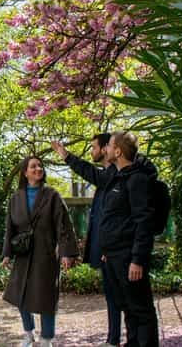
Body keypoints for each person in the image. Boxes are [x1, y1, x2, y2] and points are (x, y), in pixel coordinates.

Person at [51, 134, 121, 347]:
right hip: (107, 248)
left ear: (106, 150)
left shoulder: (113, 175)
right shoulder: (109, 176)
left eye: (94, 147)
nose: (92, 151)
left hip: (114, 249)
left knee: (118, 295)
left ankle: (117, 339)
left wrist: (66, 156)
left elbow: (90, 173)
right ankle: (114, 338)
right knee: (112, 294)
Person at [2, 155, 80, 347]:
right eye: (33, 166)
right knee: (19, 295)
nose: (38, 169)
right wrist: (7, 253)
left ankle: (47, 338)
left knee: (46, 297)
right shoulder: (16, 198)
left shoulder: (52, 195)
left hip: (45, 254)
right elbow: (10, 227)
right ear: (25, 172)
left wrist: (66, 253)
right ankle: (28, 333)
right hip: (23, 254)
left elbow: (64, 225)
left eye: (40, 166)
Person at [100, 132, 160, 347]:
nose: (105, 149)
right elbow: (115, 219)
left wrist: (137, 259)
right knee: (126, 305)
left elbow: (143, 222)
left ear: (118, 151)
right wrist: (107, 251)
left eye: (109, 146)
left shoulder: (137, 180)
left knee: (140, 308)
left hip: (129, 257)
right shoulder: (117, 178)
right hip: (114, 256)